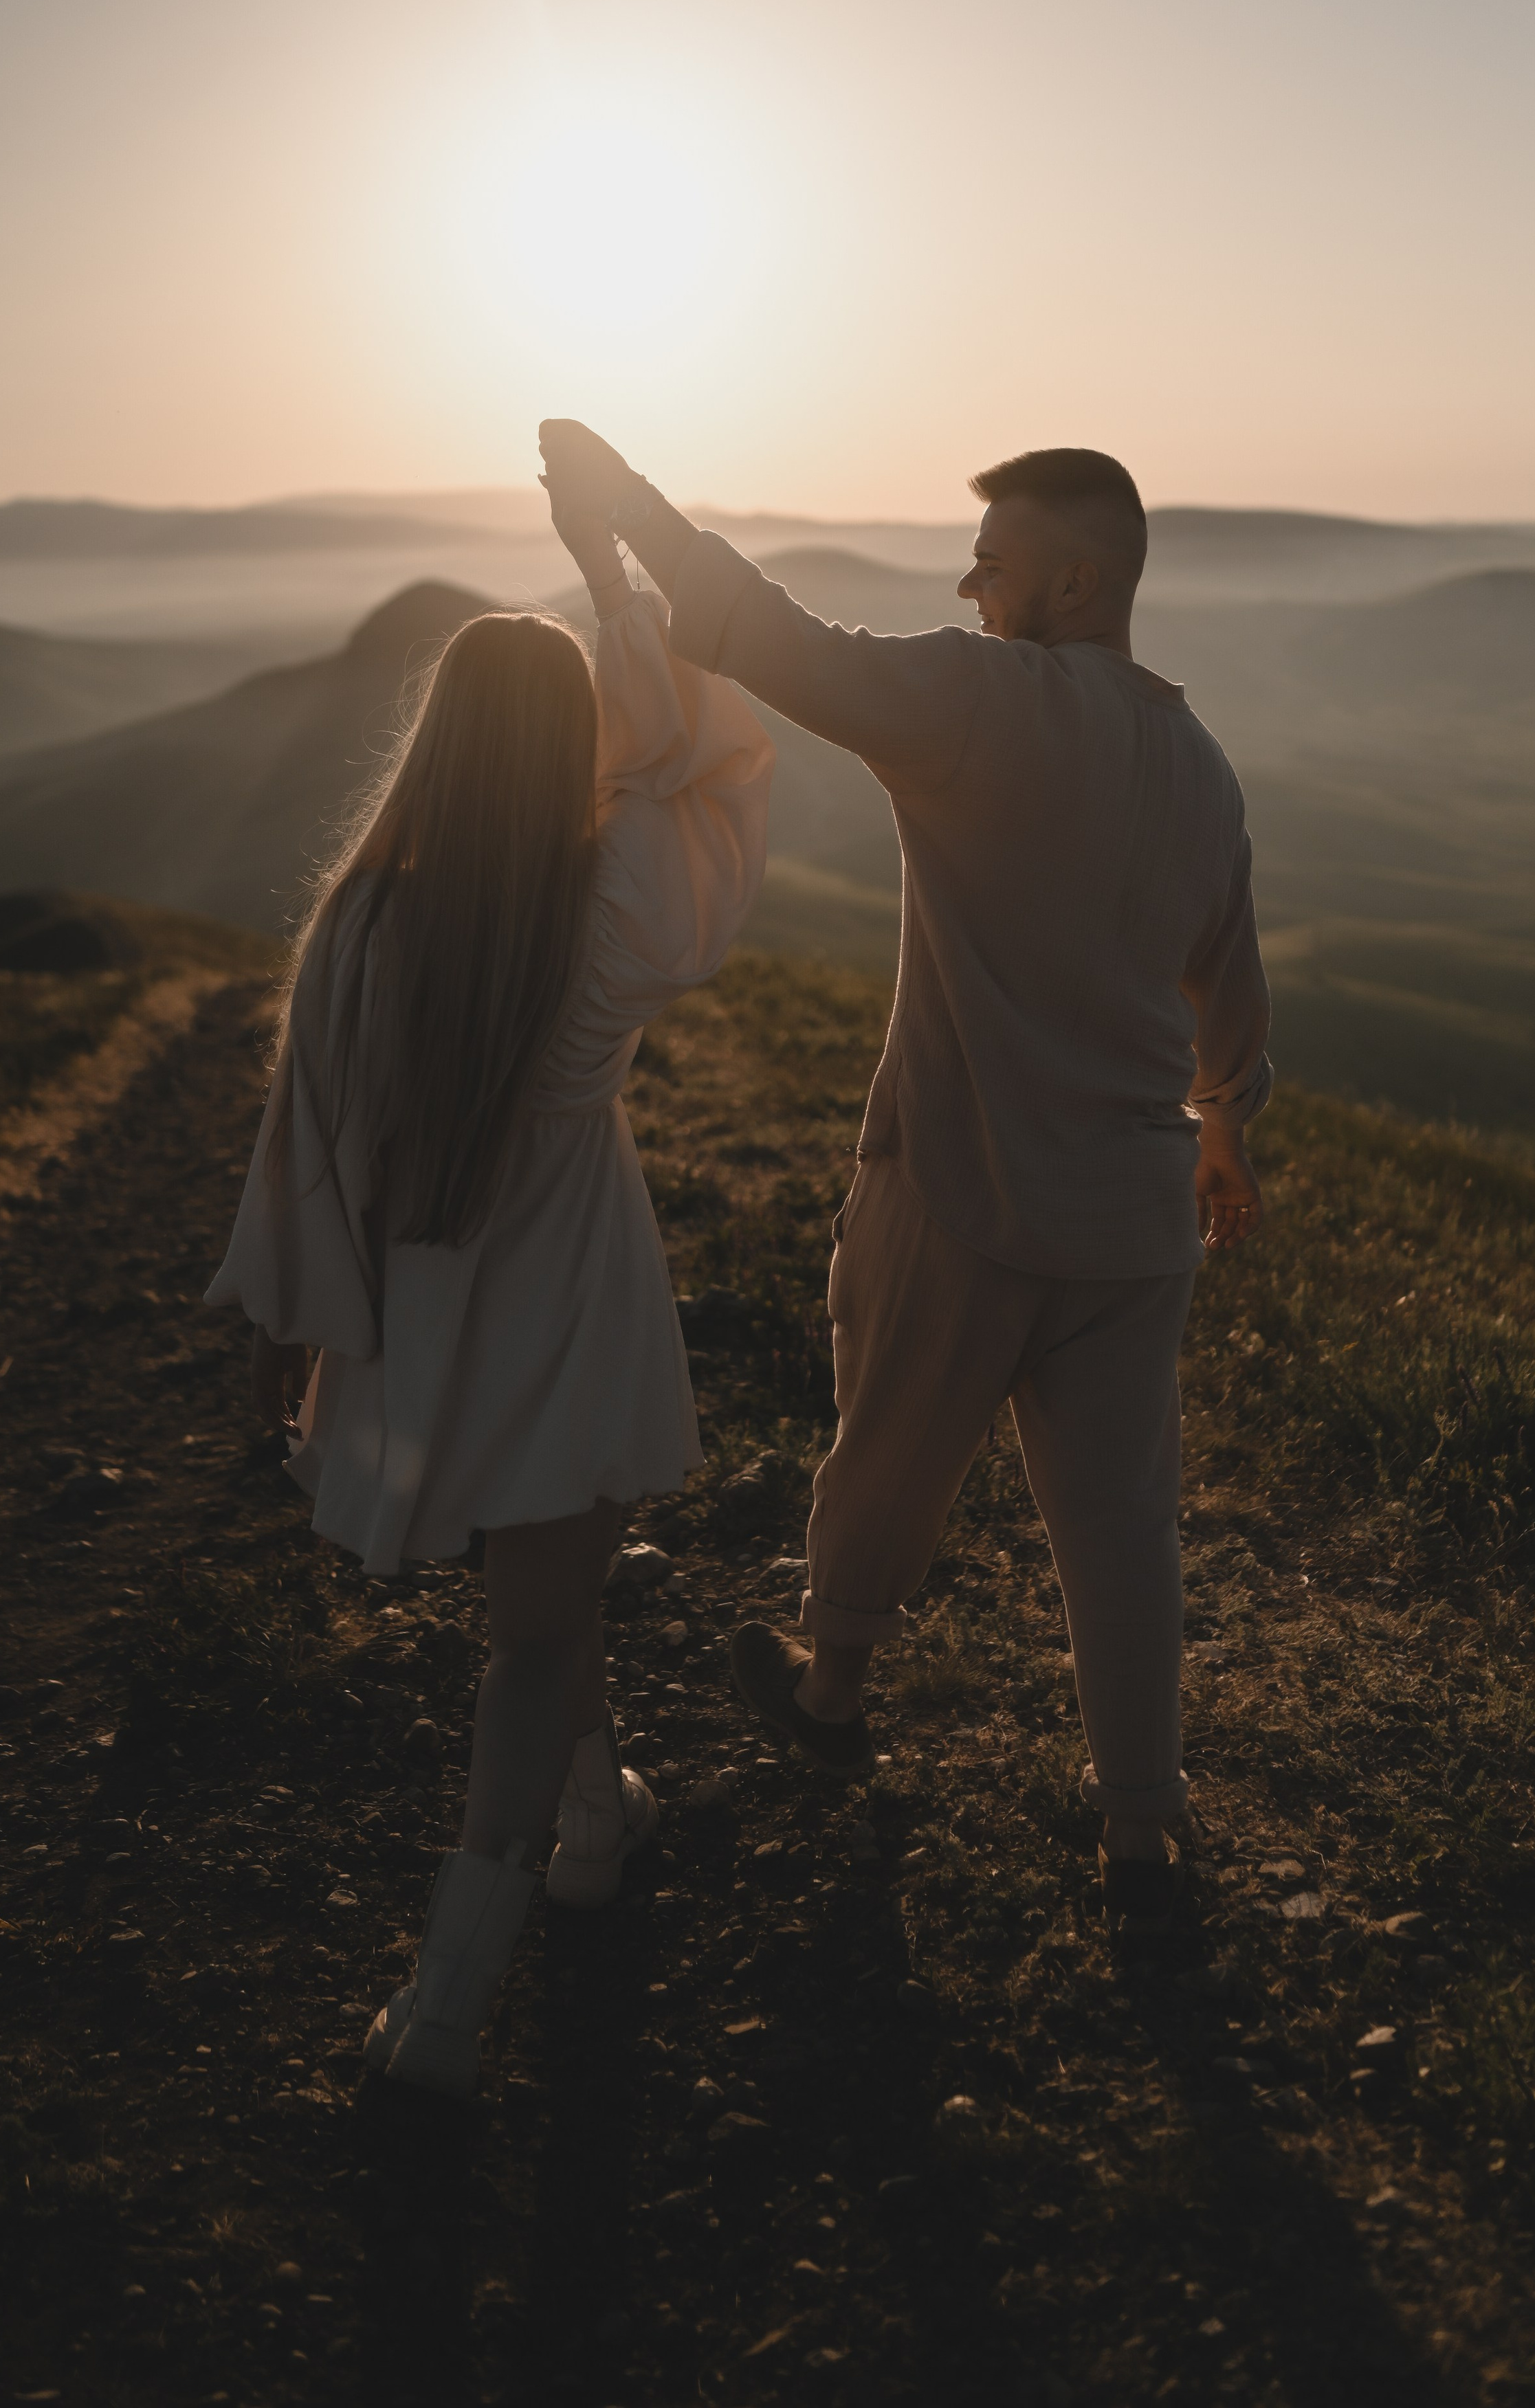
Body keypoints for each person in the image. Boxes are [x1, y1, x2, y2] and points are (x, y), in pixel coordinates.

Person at [537, 419, 1270, 1925]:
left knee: (885, 1448)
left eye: (991, 564)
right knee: (1121, 1522)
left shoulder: (976, 700)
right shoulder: (1199, 765)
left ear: (1072, 580)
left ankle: (833, 1690)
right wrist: (1222, 1130)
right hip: (1134, 1219)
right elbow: (1229, 982)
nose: (967, 585)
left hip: (965, 1183)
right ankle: (1143, 1831)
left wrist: (622, 518)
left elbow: (771, 641)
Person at [206, 500, 773, 2094]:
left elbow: (299, 1156)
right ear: (572, 745)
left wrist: (284, 1344)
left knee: (537, 1617)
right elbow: (709, 768)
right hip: (574, 1291)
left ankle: (592, 1827)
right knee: (538, 1631)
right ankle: (452, 1999)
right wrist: (616, 587)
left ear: (434, 741)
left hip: (420, 1308)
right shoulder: (618, 911)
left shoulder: (359, 928)